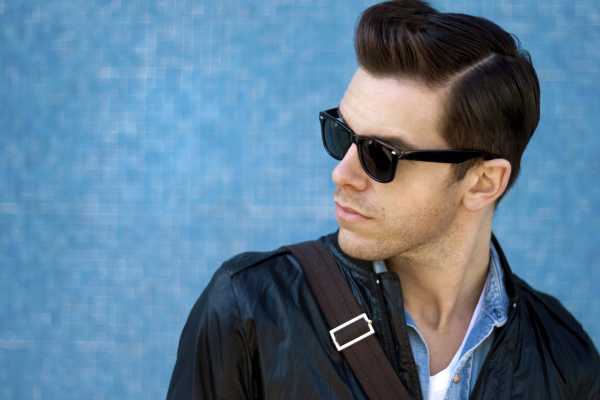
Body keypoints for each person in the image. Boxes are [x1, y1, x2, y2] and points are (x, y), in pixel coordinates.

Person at [166, 1, 600, 399]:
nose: (342, 174)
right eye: (341, 134)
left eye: (381, 155)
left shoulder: (565, 361)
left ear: (482, 183)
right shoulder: (250, 311)